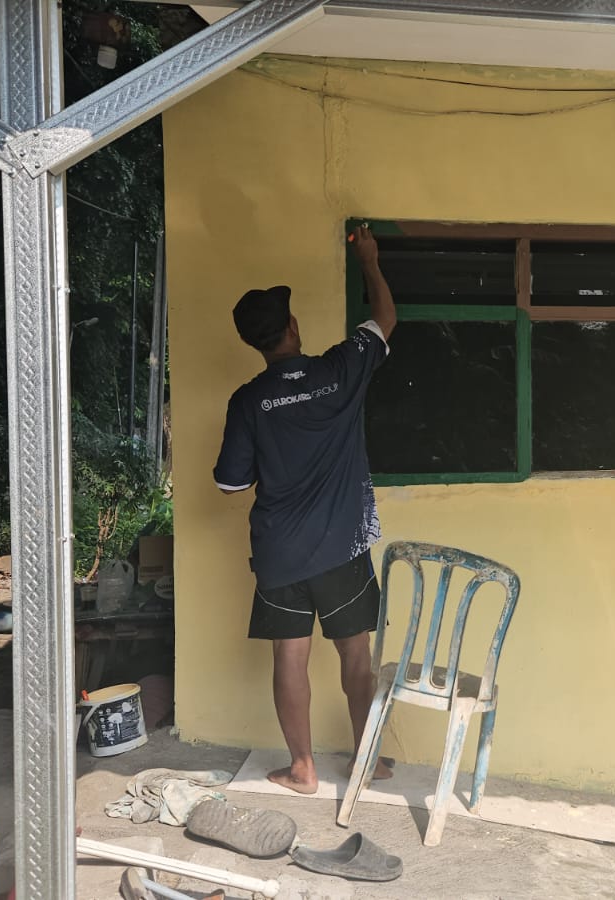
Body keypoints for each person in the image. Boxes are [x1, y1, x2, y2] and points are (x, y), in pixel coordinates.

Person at [213, 224, 397, 794]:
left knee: (289, 661)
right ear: (292, 328)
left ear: (256, 343)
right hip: (342, 546)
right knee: (355, 656)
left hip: (280, 556)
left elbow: (229, 482)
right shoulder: (339, 371)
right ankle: (368, 760)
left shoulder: (247, 401)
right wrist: (369, 260)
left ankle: (303, 769)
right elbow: (386, 320)